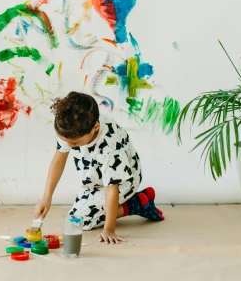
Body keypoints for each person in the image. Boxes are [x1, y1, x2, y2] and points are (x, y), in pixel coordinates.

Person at [34, 91, 164, 244]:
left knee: (85, 221)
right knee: (74, 219)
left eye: (74, 144)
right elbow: (58, 160)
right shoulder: (70, 127)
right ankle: (137, 201)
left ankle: (137, 204)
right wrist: (46, 198)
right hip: (95, 178)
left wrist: (109, 229)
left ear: (95, 127)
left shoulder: (109, 146)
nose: (69, 146)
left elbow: (111, 187)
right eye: (65, 141)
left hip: (123, 180)